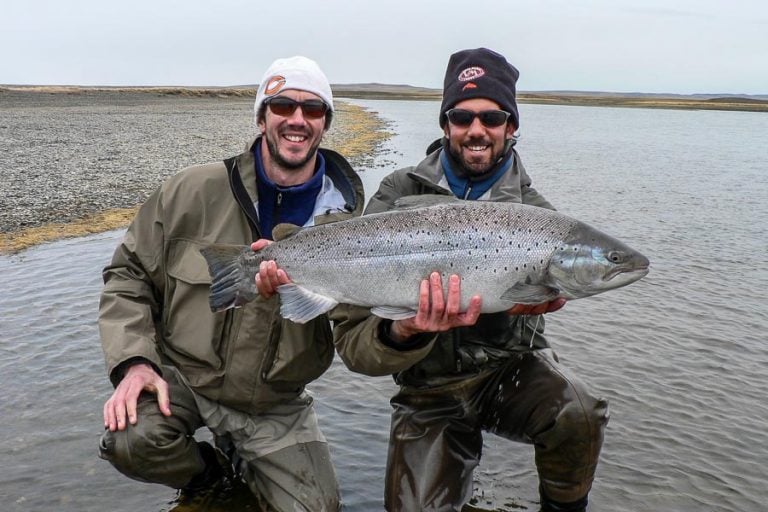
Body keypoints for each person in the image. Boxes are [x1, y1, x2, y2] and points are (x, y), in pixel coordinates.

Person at [329, 48, 609, 512]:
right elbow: (355, 348)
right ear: (445, 125)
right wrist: (404, 330)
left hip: (509, 375)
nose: (476, 129)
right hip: (428, 389)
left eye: (492, 117)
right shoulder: (399, 192)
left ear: (511, 126)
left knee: (579, 412)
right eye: (461, 116)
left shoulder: (540, 219)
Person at [98, 55, 364, 511]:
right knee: (130, 440)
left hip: (275, 405)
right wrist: (134, 363)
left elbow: (360, 341)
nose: (297, 120)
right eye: (282, 106)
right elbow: (127, 275)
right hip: (183, 378)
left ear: (325, 123)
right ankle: (210, 478)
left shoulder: (352, 226)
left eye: (313, 109)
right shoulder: (188, 192)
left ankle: (249, 461)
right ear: (262, 116)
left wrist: (406, 331)